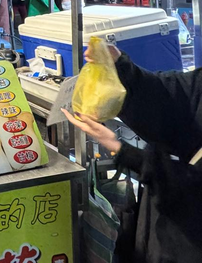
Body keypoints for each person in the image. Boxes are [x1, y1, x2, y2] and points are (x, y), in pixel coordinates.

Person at [62, 45, 202, 263]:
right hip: (163, 233)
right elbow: (175, 95)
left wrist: (121, 149)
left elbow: (192, 191)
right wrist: (121, 70)